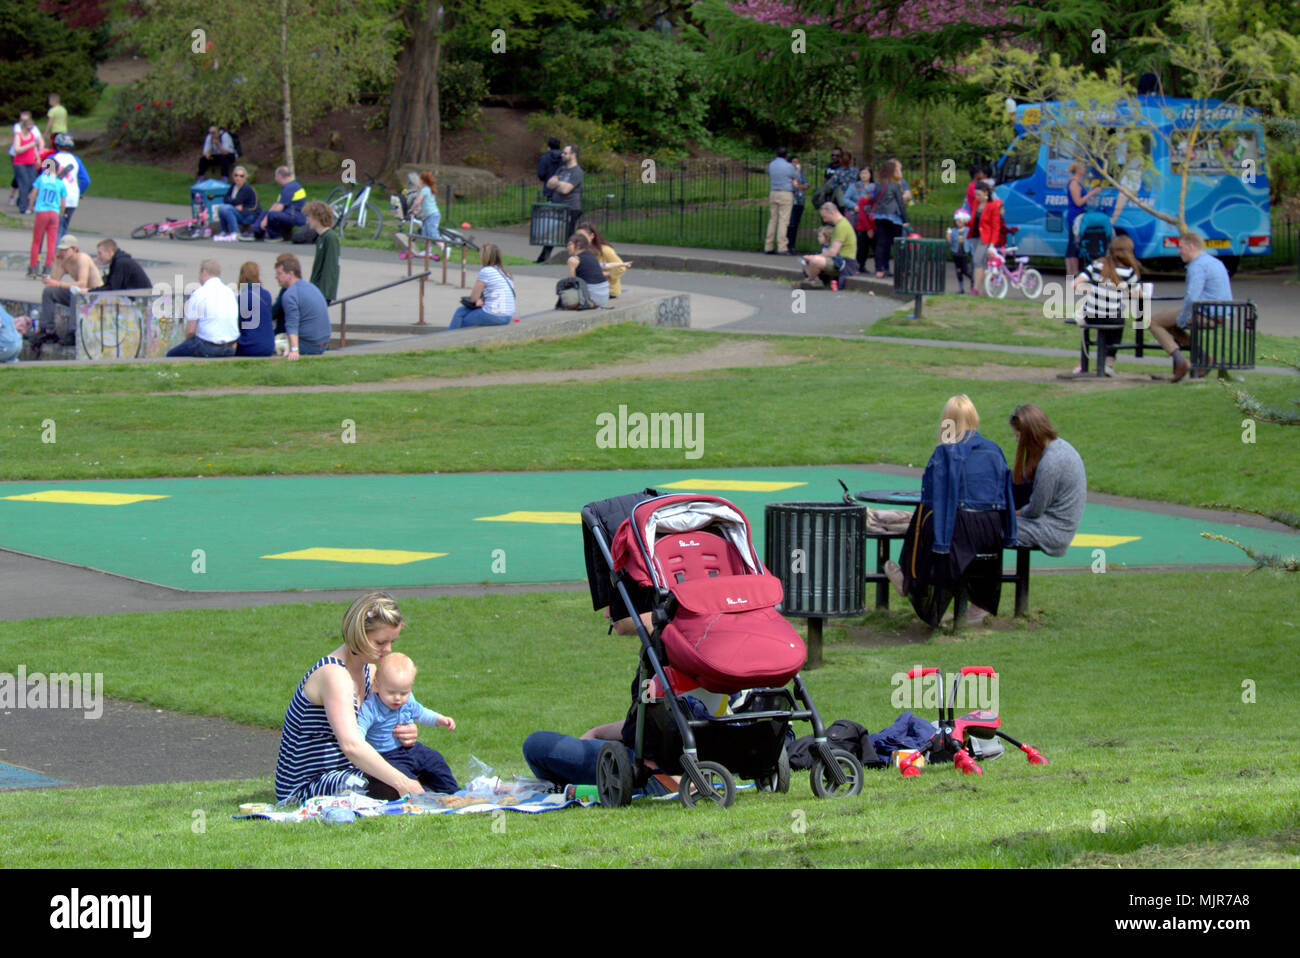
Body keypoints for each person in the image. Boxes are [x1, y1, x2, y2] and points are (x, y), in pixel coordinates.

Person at [274, 591, 427, 803]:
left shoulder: (370, 671)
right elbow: (351, 745)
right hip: (308, 783)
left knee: (425, 766)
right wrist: (403, 783)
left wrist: (405, 730)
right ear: (360, 635)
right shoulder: (334, 675)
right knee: (389, 786)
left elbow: (390, 717)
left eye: (392, 641)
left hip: (345, 771)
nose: (388, 650)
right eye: (381, 642)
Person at [884, 395, 1017, 627]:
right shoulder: (994, 450)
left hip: (958, 534)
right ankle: (976, 604)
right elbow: (1007, 494)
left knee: (923, 520)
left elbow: (932, 499)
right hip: (991, 530)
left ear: (947, 422)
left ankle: (909, 579)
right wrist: (1009, 534)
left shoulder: (945, 453)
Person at [356, 653, 458, 794]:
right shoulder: (371, 707)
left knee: (435, 760)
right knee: (403, 776)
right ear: (377, 686)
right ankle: (422, 797)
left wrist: (439, 719)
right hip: (385, 755)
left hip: (410, 749)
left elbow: (420, 713)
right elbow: (360, 729)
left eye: (404, 693)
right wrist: (358, 740)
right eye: (391, 692)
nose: (398, 698)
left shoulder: (408, 700)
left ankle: (452, 791)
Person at [1149, 232, 1233, 382]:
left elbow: (1192, 298)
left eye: (1181, 247)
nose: (1179, 251)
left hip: (1206, 314)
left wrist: (1183, 318)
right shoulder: (1215, 262)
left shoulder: (1197, 266)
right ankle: (1204, 357)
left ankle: (1181, 362)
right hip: (1220, 314)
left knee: (1153, 322)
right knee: (1169, 324)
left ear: (1191, 246)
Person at [1008, 405, 1087, 556]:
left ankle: (986, 579)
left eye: (1018, 436)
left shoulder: (1051, 463)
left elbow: (1035, 510)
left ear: (1029, 435)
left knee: (989, 528)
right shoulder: (1060, 446)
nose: (1017, 441)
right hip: (1053, 524)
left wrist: (1012, 513)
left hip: (1052, 530)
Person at [1072, 233, 1141, 376]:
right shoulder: (1129, 272)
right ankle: (1108, 363)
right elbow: (1139, 294)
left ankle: (1086, 362)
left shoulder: (1097, 265)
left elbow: (1076, 283)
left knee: (1098, 317)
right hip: (1112, 317)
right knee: (1119, 323)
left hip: (1091, 315)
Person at [37, 234, 101, 348]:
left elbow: (82, 283)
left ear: (74, 249)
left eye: (66, 250)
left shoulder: (82, 258)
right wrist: (56, 263)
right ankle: (48, 330)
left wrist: (58, 284)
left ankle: (73, 332)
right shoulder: (64, 261)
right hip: (80, 294)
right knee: (48, 292)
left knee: (75, 293)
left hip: (94, 294)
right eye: (61, 250)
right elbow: (54, 281)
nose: (62, 253)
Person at [166, 259, 239, 358]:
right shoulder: (230, 292)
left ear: (203, 272)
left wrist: (187, 343)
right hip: (230, 347)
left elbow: (190, 331)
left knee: (171, 355)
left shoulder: (199, 293)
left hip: (208, 346)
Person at [274, 253, 331, 357]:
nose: (276, 277)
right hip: (323, 344)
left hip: (308, 345)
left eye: (279, 273)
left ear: (290, 274)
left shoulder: (290, 294)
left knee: (269, 344)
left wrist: (294, 350)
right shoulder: (311, 287)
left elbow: (292, 323)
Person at [450, 243, 515, 329]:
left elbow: (473, 298)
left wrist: (478, 300)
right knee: (461, 311)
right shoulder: (506, 273)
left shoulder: (486, 271)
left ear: (484, 257)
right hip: (508, 314)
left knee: (463, 322)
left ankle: (448, 339)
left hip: (494, 314)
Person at [537, 145, 583, 263]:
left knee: (568, 236)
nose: (562, 155)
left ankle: (571, 258)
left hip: (571, 208)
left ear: (573, 155)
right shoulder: (561, 169)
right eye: (562, 153)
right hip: (558, 207)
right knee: (551, 233)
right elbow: (549, 184)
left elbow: (566, 190)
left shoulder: (577, 172)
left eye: (565, 153)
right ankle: (543, 259)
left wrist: (556, 184)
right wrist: (558, 184)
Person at [800, 201, 857, 287]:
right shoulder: (840, 225)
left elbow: (833, 252)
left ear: (832, 212)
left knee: (815, 261)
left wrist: (816, 256)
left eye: (824, 216)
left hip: (844, 262)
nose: (823, 219)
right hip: (838, 260)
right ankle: (815, 280)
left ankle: (811, 281)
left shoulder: (841, 227)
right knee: (807, 261)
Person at [27, 158, 65, 279]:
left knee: (37, 241)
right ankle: (47, 269)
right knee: (52, 242)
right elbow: (63, 202)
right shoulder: (59, 183)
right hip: (54, 212)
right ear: (58, 169)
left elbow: (33, 194)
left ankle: (33, 268)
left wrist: (31, 206)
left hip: (42, 212)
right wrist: (61, 213)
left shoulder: (41, 179)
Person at [575, 221, 632, 298]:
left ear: (592, 236)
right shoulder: (580, 251)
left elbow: (621, 268)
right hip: (589, 290)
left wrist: (605, 273)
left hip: (608, 291)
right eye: (577, 236)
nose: (579, 239)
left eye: (582, 236)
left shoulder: (605, 250)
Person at [1064, 161, 1102, 276]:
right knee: (1073, 243)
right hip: (1075, 216)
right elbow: (1078, 202)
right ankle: (1072, 271)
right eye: (1084, 168)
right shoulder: (1074, 183)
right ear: (1079, 170)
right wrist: (1092, 193)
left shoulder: (1078, 182)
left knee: (1075, 242)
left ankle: (1072, 271)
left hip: (1079, 215)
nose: (1085, 170)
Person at [872, 159, 908, 278]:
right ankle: (901, 270)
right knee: (898, 244)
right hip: (893, 217)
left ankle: (880, 269)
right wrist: (906, 220)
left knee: (881, 243)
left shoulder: (877, 186)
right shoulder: (895, 186)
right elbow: (900, 203)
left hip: (879, 215)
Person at [252, 166, 307, 241]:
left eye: (275, 176)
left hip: (295, 216)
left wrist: (265, 220)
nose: (275, 179)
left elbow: (280, 207)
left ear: (280, 176)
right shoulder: (287, 186)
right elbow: (276, 204)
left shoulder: (290, 187)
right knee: (266, 212)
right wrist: (266, 216)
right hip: (288, 213)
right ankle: (256, 233)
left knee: (272, 215)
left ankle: (276, 236)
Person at [970, 183, 1004, 296]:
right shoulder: (976, 203)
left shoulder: (992, 206)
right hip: (975, 236)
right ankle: (984, 289)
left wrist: (992, 244)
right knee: (982, 264)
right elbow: (974, 220)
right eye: (976, 195)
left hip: (986, 238)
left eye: (979, 195)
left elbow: (996, 226)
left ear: (986, 194)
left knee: (977, 260)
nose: (976, 197)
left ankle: (975, 288)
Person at [235, 261, 275, 357]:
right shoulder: (267, 295)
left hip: (250, 347)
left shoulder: (244, 297)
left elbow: (238, 325)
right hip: (269, 347)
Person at [302, 200, 339, 303]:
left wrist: (325, 293)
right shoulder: (320, 238)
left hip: (322, 291)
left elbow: (330, 266)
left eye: (309, 216)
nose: (307, 219)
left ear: (317, 218)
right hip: (316, 288)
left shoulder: (330, 237)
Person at [764, 146, 798, 255]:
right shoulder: (788, 166)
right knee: (783, 221)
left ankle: (768, 245)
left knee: (773, 219)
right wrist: (796, 168)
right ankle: (782, 247)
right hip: (785, 193)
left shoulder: (772, 164)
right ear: (786, 155)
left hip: (773, 192)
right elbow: (796, 176)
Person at [211, 166, 260, 240]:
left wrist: (233, 202)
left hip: (248, 215)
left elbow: (237, 201)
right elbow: (225, 199)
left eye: (241, 176)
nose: (238, 178)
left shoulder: (246, 188)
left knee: (227, 208)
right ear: (233, 176)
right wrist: (233, 202)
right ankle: (224, 231)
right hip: (238, 212)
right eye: (236, 175)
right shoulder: (233, 186)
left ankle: (236, 232)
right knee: (221, 208)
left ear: (244, 178)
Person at [843, 166, 876, 273]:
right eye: (862, 173)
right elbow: (845, 199)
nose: (863, 175)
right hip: (858, 216)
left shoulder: (874, 186)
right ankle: (858, 264)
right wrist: (854, 206)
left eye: (866, 173)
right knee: (860, 242)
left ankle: (869, 265)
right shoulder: (854, 186)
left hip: (870, 217)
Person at [565, 232, 611, 305]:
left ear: (578, 245)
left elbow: (573, 284)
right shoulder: (592, 257)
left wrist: (571, 268)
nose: (567, 247)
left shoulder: (574, 260)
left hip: (592, 299)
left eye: (570, 244)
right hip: (604, 297)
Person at [12, 113, 44, 215]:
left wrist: (38, 158)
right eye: (28, 128)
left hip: (30, 162)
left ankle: (23, 200)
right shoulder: (18, 136)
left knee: (33, 183)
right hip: (20, 163)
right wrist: (29, 145)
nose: (30, 130)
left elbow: (34, 148)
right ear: (23, 127)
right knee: (24, 183)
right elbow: (17, 149)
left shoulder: (32, 135)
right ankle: (23, 207)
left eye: (31, 128)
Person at [786, 155, 809, 254]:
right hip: (791, 200)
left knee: (796, 224)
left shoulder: (800, 173)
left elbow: (806, 184)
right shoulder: (787, 173)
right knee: (790, 224)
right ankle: (788, 245)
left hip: (800, 200)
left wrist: (799, 186)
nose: (796, 164)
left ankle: (793, 245)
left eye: (797, 162)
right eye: (793, 162)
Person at [948, 208, 974, 294]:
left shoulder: (967, 230)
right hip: (956, 253)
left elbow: (970, 242)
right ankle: (961, 288)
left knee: (965, 270)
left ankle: (973, 280)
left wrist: (972, 252)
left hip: (964, 252)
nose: (958, 222)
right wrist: (948, 236)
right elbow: (949, 242)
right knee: (958, 271)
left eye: (961, 220)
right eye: (957, 220)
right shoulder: (953, 231)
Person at [537, 137, 563, 201]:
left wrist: (547, 179)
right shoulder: (564, 157)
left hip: (550, 189)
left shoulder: (545, 157)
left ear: (549, 147)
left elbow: (541, 174)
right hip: (563, 188)